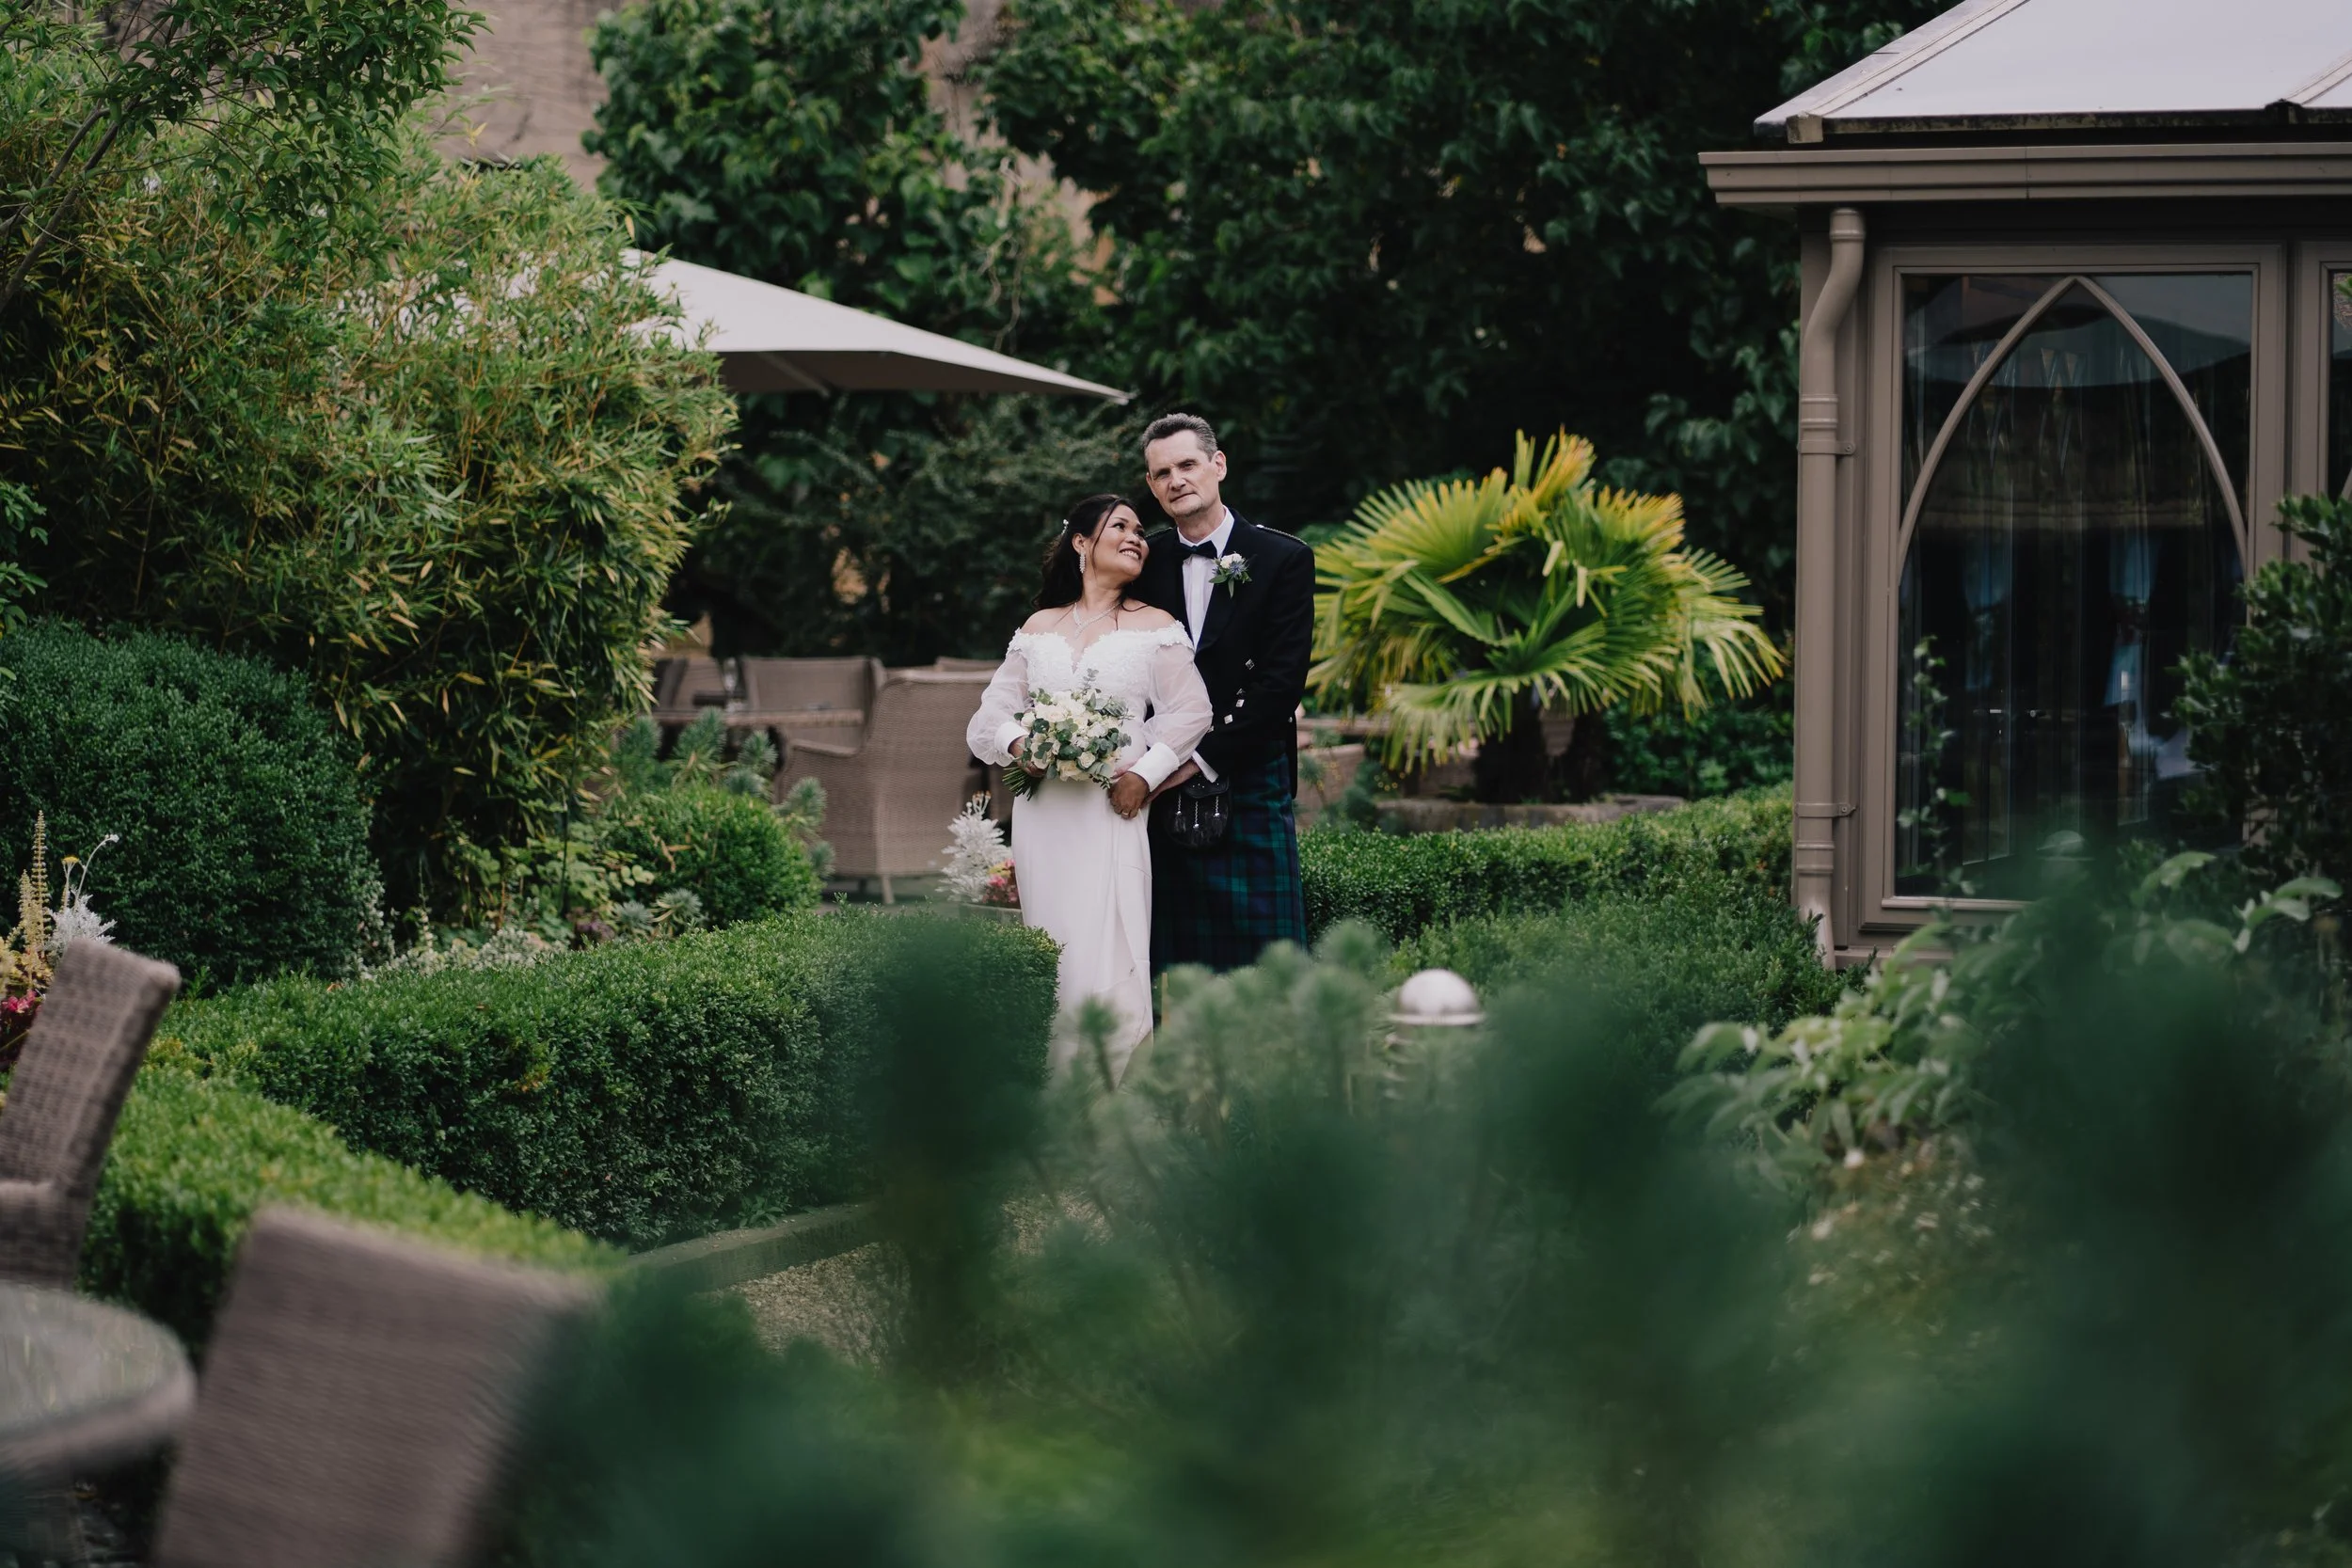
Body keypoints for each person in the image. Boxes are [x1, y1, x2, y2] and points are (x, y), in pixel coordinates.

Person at [967, 494, 1212, 1080]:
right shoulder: (1037, 627)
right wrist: (1023, 745)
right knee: (1052, 939)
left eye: (1138, 530)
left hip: (1112, 810)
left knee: (1109, 938)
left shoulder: (1155, 627)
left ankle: (1106, 1084)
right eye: (1119, 527)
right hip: (1046, 815)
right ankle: (1048, 1075)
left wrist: (1144, 776)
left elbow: (1192, 711)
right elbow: (988, 716)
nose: (1136, 537)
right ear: (1081, 543)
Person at [1129, 413, 1315, 973]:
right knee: (1168, 953)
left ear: (1218, 465)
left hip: (1249, 770)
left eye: (1187, 465)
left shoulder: (1283, 558)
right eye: (1161, 473)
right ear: (1152, 487)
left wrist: (1200, 761)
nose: (1176, 480)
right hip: (1160, 773)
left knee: (1268, 959)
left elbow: (1281, 682)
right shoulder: (1144, 561)